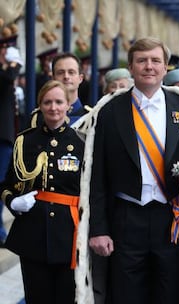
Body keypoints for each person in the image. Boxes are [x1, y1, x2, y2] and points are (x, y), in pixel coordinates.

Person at [79, 37, 179, 304]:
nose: (149, 66)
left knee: (173, 294)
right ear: (131, 67)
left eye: (155, 61)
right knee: (126, 296)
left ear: (165, 67)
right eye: (141, 61)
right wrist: (98, 228)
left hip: (173, 219)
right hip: (126, 220)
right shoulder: (108, 111)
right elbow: (96, 176)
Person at [0, 80, 84, 303]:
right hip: (33, 232)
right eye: (47, 102)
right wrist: (13, 202)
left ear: (68, 105)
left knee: (68, 297)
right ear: (40, 106)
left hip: (70, 234)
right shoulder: (24, 141)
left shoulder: (82, 142)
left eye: (59, 102)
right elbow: (7, 185)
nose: (53, 107)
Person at [0, 35, 22, 248]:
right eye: (5, 49)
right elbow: (8, 78)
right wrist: (14, 64)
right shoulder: (5, 72)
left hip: (5, 137)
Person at [30, 52, 88, 127]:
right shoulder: (38, 119)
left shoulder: (91, 118)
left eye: (71, 72)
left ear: (80, 78)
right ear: (53, 78)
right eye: (60, 73)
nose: (66, 76)